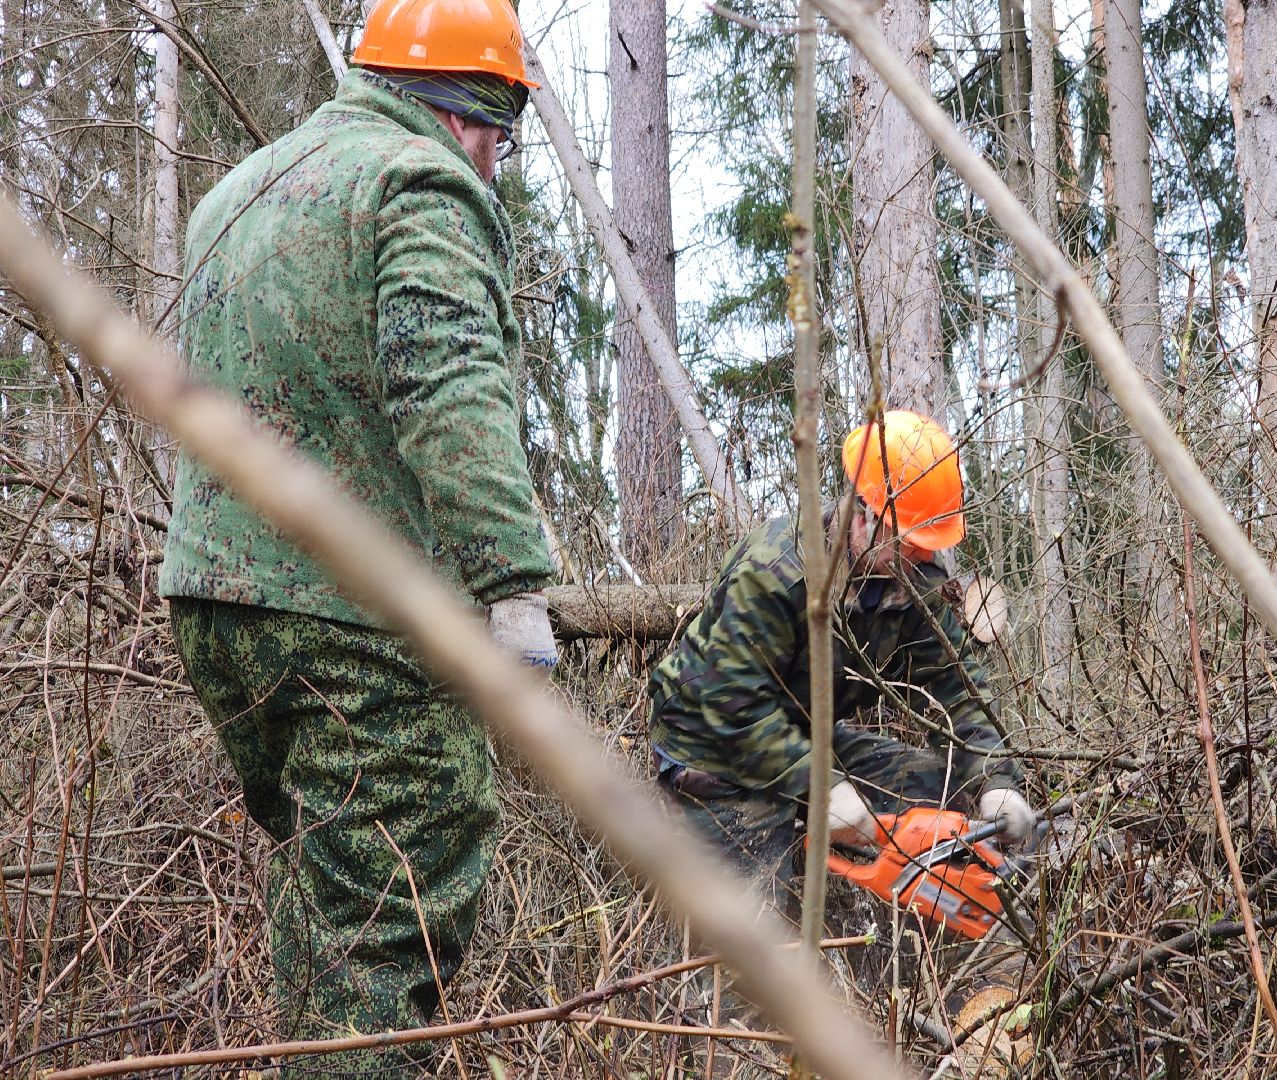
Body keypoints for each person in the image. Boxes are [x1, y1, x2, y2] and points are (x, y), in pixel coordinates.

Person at [159, 0, 555, 1071]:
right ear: (475, 114)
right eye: (500, 138)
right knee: (392, 925)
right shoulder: (417, 182)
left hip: (214, 604)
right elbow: (449, 383)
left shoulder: (237, 191)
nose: (493, 161)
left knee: (327, 908)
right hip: (351, 619)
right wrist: (514, 585)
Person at [648, 410, 1035, 913]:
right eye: (909, 543)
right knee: (755, 927)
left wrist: (994, 780)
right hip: (713, 747)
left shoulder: (914, 581)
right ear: (864, 515)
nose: (920, 558)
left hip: (807, 731)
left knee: (939, 789)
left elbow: (956, 686)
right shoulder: (777, 571)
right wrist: (821, 787)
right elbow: (731, 705)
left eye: (925, 545)